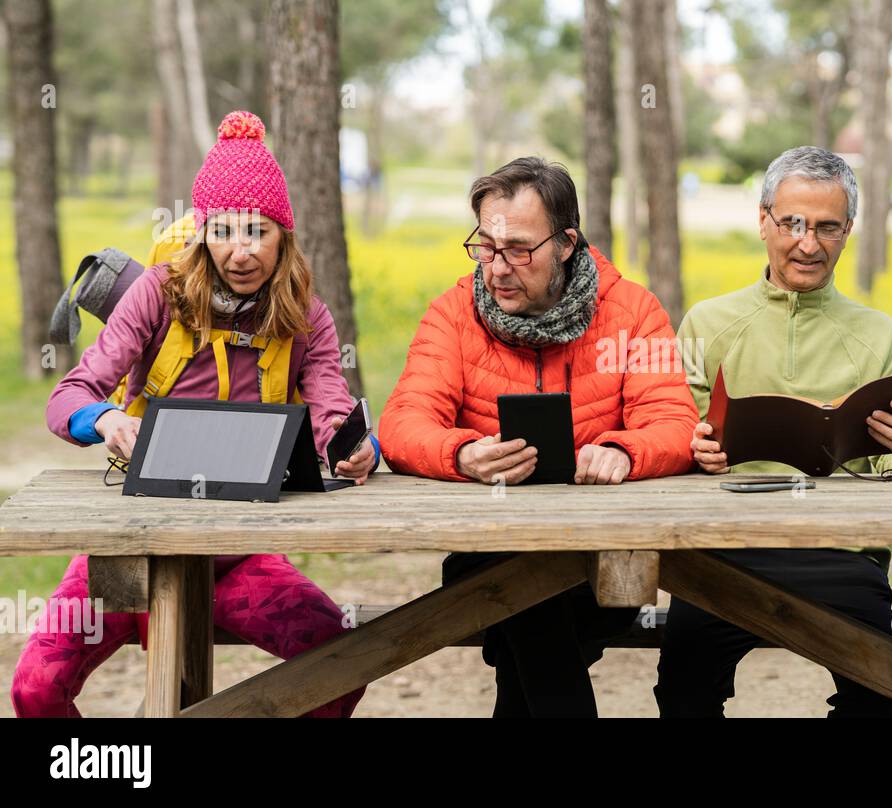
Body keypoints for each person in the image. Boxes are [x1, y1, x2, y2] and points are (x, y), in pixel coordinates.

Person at [12, 111, 373, 718]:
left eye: (258, 231)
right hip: (130, 550)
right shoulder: (157, 292)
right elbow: (67, 395)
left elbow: (332, 412)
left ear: (283, 234)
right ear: (203, 231)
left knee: (340, 665)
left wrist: (356, 447)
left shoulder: (306, 314)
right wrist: (104, 419)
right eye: (225, 230)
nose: (241, 250)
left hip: (239, 557)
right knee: (34, 689)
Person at [378, 156, 699, 717]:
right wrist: (463, 453)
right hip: (491, 546)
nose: (497, 267)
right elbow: (403, 423)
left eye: (518, 250)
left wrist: (624, 452)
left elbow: (674, 422)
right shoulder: (452, 314)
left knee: (524, 610)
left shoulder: (634, 312)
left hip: (603, 558)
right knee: (525, 596)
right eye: (485, 246)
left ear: (567, 243)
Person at [654, 146, 892, 718]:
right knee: (683, 686)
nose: (808, 244)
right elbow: (670, 432)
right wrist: (694, 447)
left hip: (842, 552)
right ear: (763, 220)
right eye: (792, 223)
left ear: (848, 231)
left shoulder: (877, 332)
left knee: (881, 693)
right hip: (723, 551)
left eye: (827, 227)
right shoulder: (707, 322)